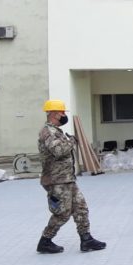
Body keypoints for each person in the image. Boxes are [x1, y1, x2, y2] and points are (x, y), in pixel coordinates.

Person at [37, 100, 106, 254]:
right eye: (62, 113)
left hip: (67, 179)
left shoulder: (57, 131)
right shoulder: (47, 132)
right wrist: (72, 141)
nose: (64, 115)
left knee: (81, 208)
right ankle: (45, 241)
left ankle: (86, 240)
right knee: (62, 213)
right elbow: (58, 150)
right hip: (56, 181)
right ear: (54, 114)